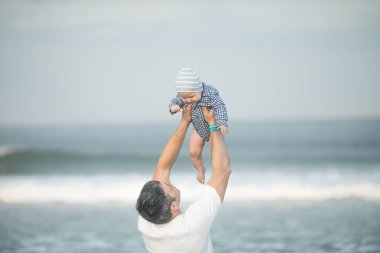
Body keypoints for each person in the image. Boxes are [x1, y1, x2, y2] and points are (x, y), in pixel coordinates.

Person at [136, 105, 231, 253]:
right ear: (173, 207)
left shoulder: (147, 221)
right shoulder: (192, 226)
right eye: (167, 186)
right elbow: (223, 172)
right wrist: (212, 125)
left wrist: (185, 121)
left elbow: (163, 167)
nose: (167, 182)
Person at [169, 67, 229, 184]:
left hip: (214, 130)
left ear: (199, 89)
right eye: (184, 98)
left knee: (216, 153)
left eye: (191, 97)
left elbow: (220, 106)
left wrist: (222, 123)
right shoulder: (185, 96)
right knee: (193, 152)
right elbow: (175, 101)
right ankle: (201, 170)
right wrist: (173, 107)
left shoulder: (210, 95)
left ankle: (216, 174)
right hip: (198, 130)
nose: (188, 100)